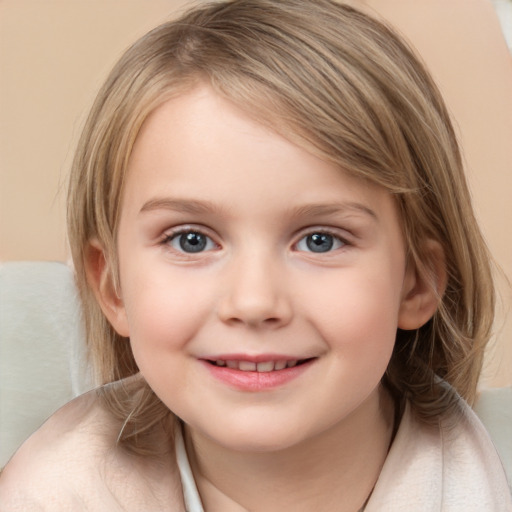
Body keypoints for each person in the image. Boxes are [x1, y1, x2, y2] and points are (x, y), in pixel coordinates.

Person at [0, 0, 510, 510]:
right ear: (112, 288)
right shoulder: (50, 494)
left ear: (416, 283)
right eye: (191, 240)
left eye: (320, 240)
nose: (253, 301)